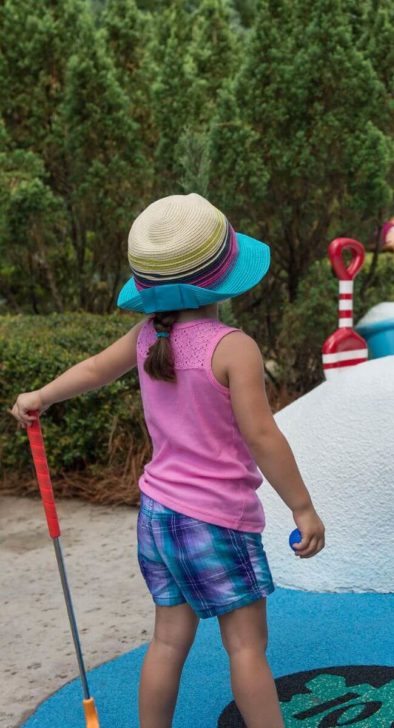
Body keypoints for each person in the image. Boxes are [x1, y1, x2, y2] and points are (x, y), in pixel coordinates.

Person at [9, 193, 325, 728]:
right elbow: (262, 435)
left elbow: (91, 370)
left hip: (157, 516)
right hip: (217, 521)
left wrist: (42, 394)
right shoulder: (233, 348)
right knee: (246, 647)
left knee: (166, 640)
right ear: (223, 278)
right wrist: (303, 507)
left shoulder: (146, 336)